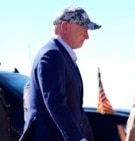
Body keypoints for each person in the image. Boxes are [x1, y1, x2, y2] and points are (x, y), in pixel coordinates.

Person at [19, 5, 101, 141]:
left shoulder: (62, 56)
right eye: (83, 29)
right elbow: (56, 103)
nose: (87, 36)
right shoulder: (51, 55)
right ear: (65, 26)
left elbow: (75, 108)